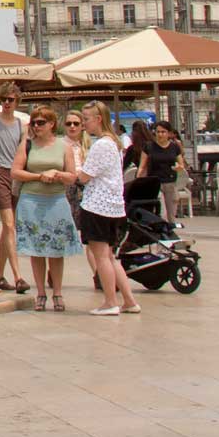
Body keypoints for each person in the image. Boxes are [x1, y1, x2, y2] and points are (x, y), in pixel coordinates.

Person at [10, 105, 81, 311]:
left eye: (41, 122)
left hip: (56, 200)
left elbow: (72, 176)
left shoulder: (63, 147)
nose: (36, 126)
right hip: (31, 200)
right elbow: (15, 172)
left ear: (51, 124)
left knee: (56, 250)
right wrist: (39, 176)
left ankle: (57, 292)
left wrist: (56, 174)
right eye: (34, 122)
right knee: (36, 249)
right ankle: (40, 292)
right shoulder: (27, 145)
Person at [75, 101, 142, 315]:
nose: (84, 123)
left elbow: (84, 177)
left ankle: (110, 301)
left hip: (98, 206)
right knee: (111, 256)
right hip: (114, 207)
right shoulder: (114, 142)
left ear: (98, 119)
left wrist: (66, 174)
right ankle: (129, 301)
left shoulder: (102, 144)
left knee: (101, 256)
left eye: (86, 119)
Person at [0, 85, 28, 294]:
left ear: (17, 100)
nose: (7, 103)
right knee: (9, 225)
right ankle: (18, 276)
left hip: (15, 174)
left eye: (10, 99)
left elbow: (23, 151)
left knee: (8, 228)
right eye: (4, 99)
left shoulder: (22, 124)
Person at [137, 121, 187, 223]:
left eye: (163, 132)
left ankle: (170, 232)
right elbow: (142, 166)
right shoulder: (149, 146)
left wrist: (179, 167)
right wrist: (139, 179)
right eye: (158, 132)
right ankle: (162, 229)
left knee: (171, 213)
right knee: (162, 211)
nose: (160, 134)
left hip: (170, 182)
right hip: (155, 183)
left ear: (169, 133)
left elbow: (181, 165)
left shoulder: (174, 147)